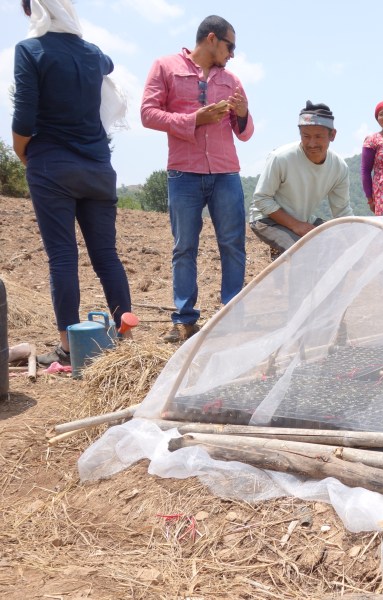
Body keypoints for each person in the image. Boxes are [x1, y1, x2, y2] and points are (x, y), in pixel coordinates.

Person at [12, 0, 133, 366]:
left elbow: (23, 118)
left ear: (34, 10)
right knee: (106, 256)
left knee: (63, 257)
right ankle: (127, 337)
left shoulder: (29, 51)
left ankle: (68, 348)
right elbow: (109, 63)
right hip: (98, 169)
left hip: (52, 166)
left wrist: (25, 156)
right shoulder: (93, 53)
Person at [140, 15, 253, 343]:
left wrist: (243, 113)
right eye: (230, 46)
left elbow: (244, 134)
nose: (232, 54)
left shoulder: (232, 81)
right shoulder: (165, 66)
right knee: (184, 248)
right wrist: (194, 119)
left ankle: (231, 318)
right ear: (213, 39)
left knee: (233, 245)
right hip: (184, 172)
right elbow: (148, 114)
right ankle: (185, 320)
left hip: (225, 173)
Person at [249, 101, 351, 260]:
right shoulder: (281, 158)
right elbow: (262, 199)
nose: (312, 143)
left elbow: (342, 210)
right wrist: (296, 226)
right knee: (303, 252)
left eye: (318, 136)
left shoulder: (339, 167)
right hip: (266, 219)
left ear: (332, 135)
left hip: (303, 220)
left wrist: (355, 238)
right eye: (306, 136)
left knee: (335, 248)